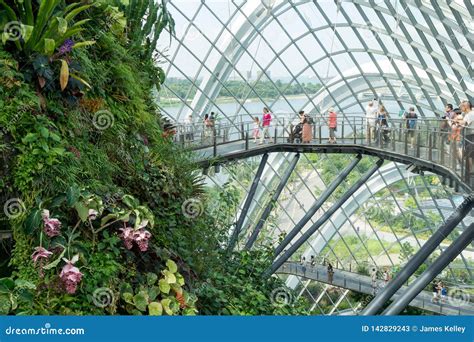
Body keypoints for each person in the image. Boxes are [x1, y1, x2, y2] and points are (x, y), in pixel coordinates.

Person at [461, 100, 474, 180]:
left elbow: (464, 123)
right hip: (470, 134)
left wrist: (456, 122)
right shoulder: (469, 113)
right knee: (471, 153)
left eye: (463, 106)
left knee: (470, 153)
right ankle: (471, 170)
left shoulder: (470, 114)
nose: (461, 108)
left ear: (466, 107)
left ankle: (470, 172)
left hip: (471, 135)